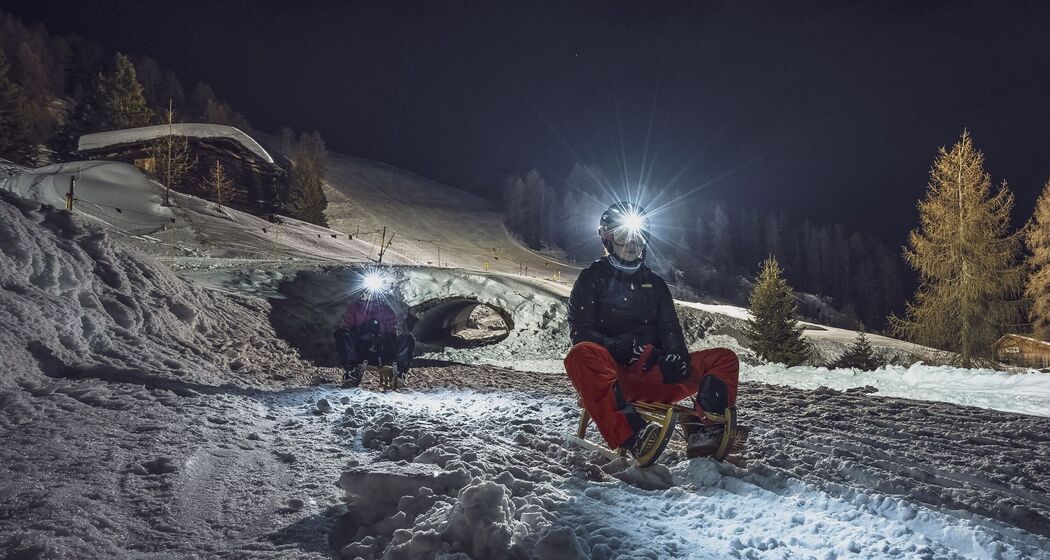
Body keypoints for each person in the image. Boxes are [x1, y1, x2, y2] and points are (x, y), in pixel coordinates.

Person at [564, 201, 741, 462]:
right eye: (624, 236)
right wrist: (621, 348)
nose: (632, 243)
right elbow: (581, 332)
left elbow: (671, 331)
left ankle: (706, 430)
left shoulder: (656, 284)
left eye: (638, 236)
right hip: (614, 378)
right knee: (580, 354)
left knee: (724, 359)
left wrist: (676, 359)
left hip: (656, 375)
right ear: (609, 239)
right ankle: (633, 435)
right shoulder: (593, 278)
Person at [333, 274, 415, 388]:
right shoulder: (355, 309)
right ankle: (351, 369)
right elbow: (345, 327)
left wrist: (381, 337)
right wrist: (365, 333)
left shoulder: (386, 310)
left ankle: (400, 372)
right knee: (341, 334)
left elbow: (392, 332)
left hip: (383, 349)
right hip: (361, 349)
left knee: (408, 338)